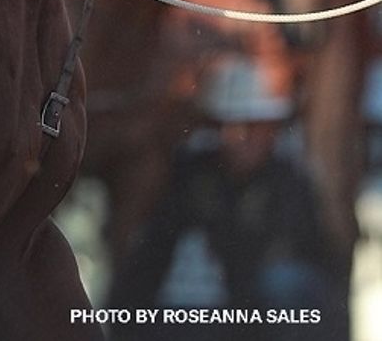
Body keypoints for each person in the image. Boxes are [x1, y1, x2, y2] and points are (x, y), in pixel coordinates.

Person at [105, 56, 339, 339]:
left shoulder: (289, 179)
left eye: (250, 126)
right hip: (210, 311)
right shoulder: (192, 174)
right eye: (228, 124)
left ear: (270, 129)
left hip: (267, 313)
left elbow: (303, 256)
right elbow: (155, 248)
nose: (237, 136)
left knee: (285, 284)